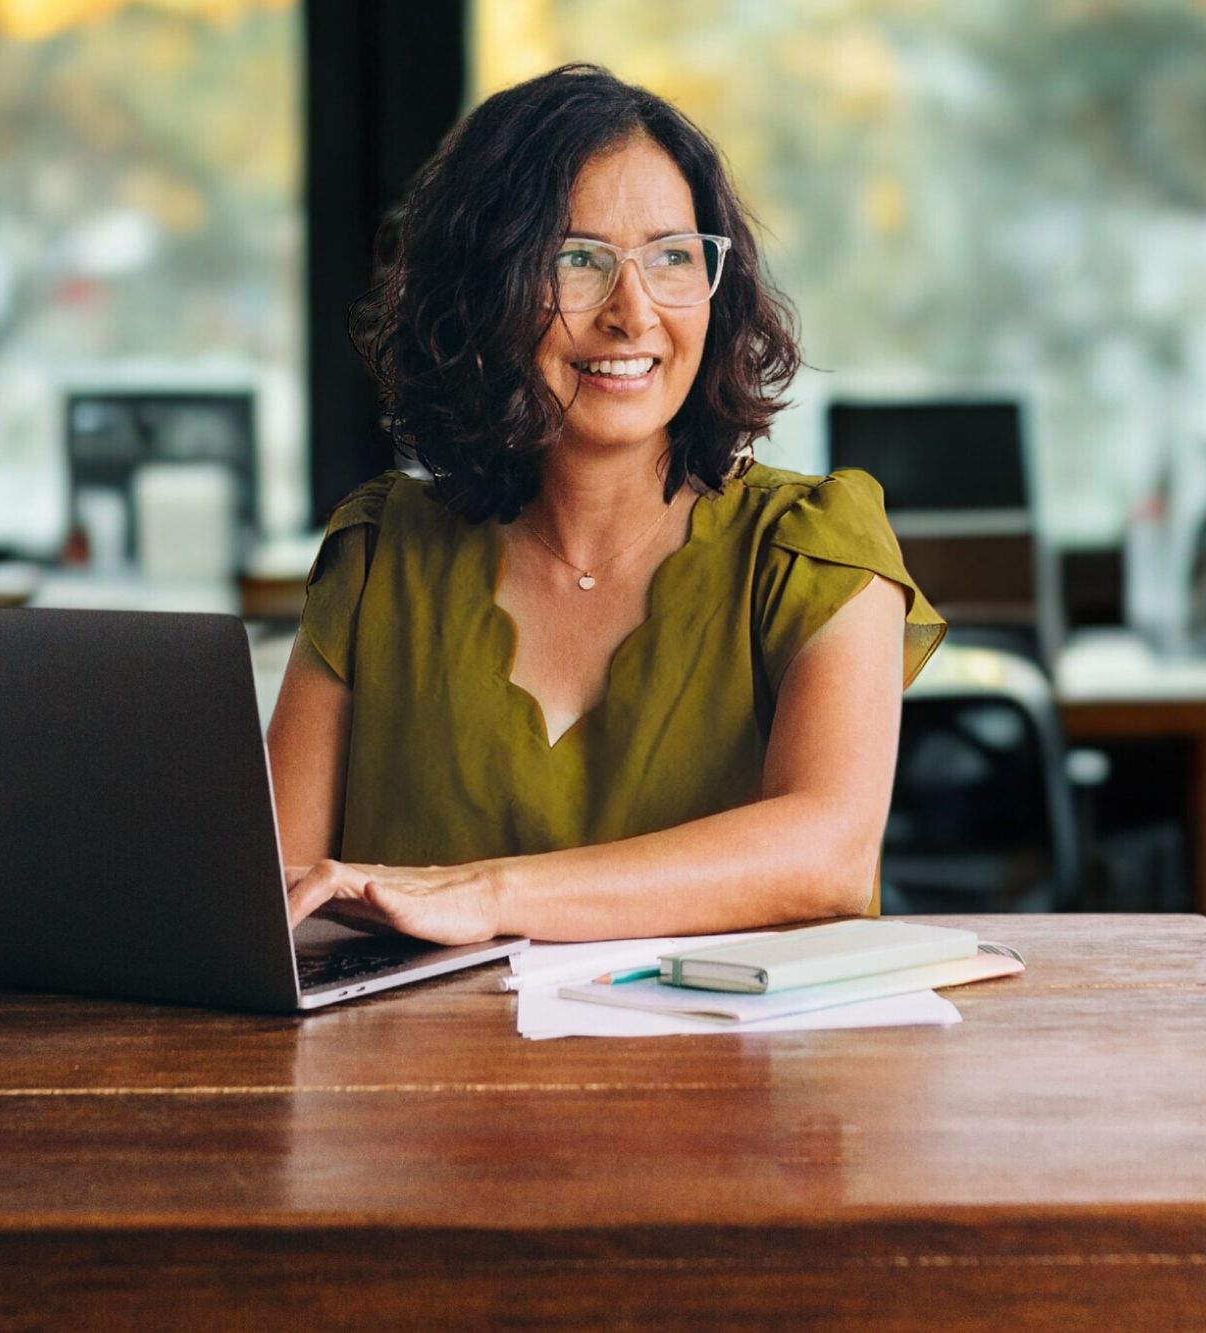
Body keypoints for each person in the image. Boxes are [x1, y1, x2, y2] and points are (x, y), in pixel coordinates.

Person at [270, 64, 946, 946]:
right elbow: (272, 895)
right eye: (577, 260)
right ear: (483, 291)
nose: (634, 313)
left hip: (733, 1082)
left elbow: (828, 854)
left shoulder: (812, 547)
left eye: (672, 257)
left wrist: (489, 895)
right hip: (425, 1080)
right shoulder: (377, 554)